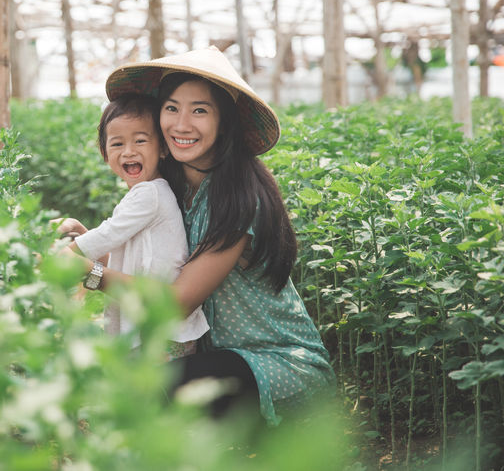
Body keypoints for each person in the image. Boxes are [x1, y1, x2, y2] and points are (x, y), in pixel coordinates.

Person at [58, 46, 335, 426]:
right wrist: (89, 247)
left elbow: (176, 303)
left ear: (225, 123)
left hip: (276, 366)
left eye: (199, 110)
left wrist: (91, 273)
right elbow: (153, 258)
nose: (181, 124)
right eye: (171, 108)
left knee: (140, 391)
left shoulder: (239, 200)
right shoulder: (173, 189)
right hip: (210, 357)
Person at [57, 93, 209, 360]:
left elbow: (106, 234)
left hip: (160, 332)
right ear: (105, 153)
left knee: (143, 393)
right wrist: (81, 232)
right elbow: (119, 248)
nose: (128, 151)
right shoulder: (149, 192)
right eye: (117, 144)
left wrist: (68, 253)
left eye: (140, 141)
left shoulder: (149, 194)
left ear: (162, 149)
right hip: (164, 330)